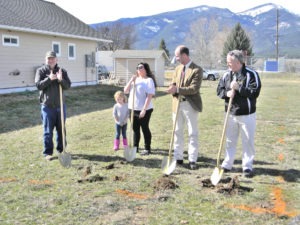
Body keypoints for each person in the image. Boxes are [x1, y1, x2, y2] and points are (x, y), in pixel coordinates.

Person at [217, 49, 261, 178]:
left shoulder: (251, 75)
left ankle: (247, 166)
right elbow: (219, 90)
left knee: (247, 141)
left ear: (238, 62)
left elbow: (255, 93)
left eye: (229, 62)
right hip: (230, 113)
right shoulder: (226, 75)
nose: (228, 64)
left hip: (247, 114)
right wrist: (227, 93)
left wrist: (239, 88)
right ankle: (227, 164)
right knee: (230, 140)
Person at [166, 45, 203, 170]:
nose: (176, 59)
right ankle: (178, 157)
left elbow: (193, 89)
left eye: (177, 56)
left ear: (184, 55)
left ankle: (192, 159)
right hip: (177, 104)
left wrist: (177, 89)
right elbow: (174, 82)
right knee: (177, 131)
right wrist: (172, 87)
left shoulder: (197, 70)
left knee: (192, 133)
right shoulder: (177, 69)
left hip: (190, 104)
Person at [35, 51, 71, 161]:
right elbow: (38, 85)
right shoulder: (41, 71)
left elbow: (68, 86)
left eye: (53, 58)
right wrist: (49, 79)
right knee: (47, 131)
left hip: (60, 105)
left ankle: (62, 150)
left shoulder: (62, 71)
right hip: (47, 106)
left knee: (61, 129)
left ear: (56, 60)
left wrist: (61, 80)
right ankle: (48, 153)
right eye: (49, 58)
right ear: (46, 60)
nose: (51, 60)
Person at [124, 62, 157, 155]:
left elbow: (150, 95)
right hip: (132, 108)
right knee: (135, 129)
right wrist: (131, 80)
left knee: (144, 128)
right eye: (137, 67)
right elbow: (125, 90)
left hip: (144, 109)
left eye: (141, 67)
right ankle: (135, 147)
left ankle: (147, 148)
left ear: (145, 69)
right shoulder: (135, 79)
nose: (139, 69)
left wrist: (144, 109)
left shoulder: (149, 80)